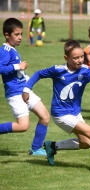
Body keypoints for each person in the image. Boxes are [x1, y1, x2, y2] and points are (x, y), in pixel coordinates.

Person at [22, 39, 90, 172]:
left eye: (82, 56)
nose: (80, 60)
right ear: (66, 58)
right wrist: (26, 89)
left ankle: (52, 146)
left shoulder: (85, 71)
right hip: (61, 114)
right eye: (76, 58)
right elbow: (39, 74)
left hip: (75, 112)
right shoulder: (58, 70)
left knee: (86, 143)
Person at [0, 18, 50, 156]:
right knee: (23, 126)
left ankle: (35, 149)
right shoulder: (5, 50)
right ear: (7, 34)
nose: (20, 37)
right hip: (15, 93)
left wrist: (27, 80)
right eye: (16, 34)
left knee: (45, 116)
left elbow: (17, 73)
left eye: (21, 34)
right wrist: (18, 66)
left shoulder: (13, 50)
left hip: (24, 90)